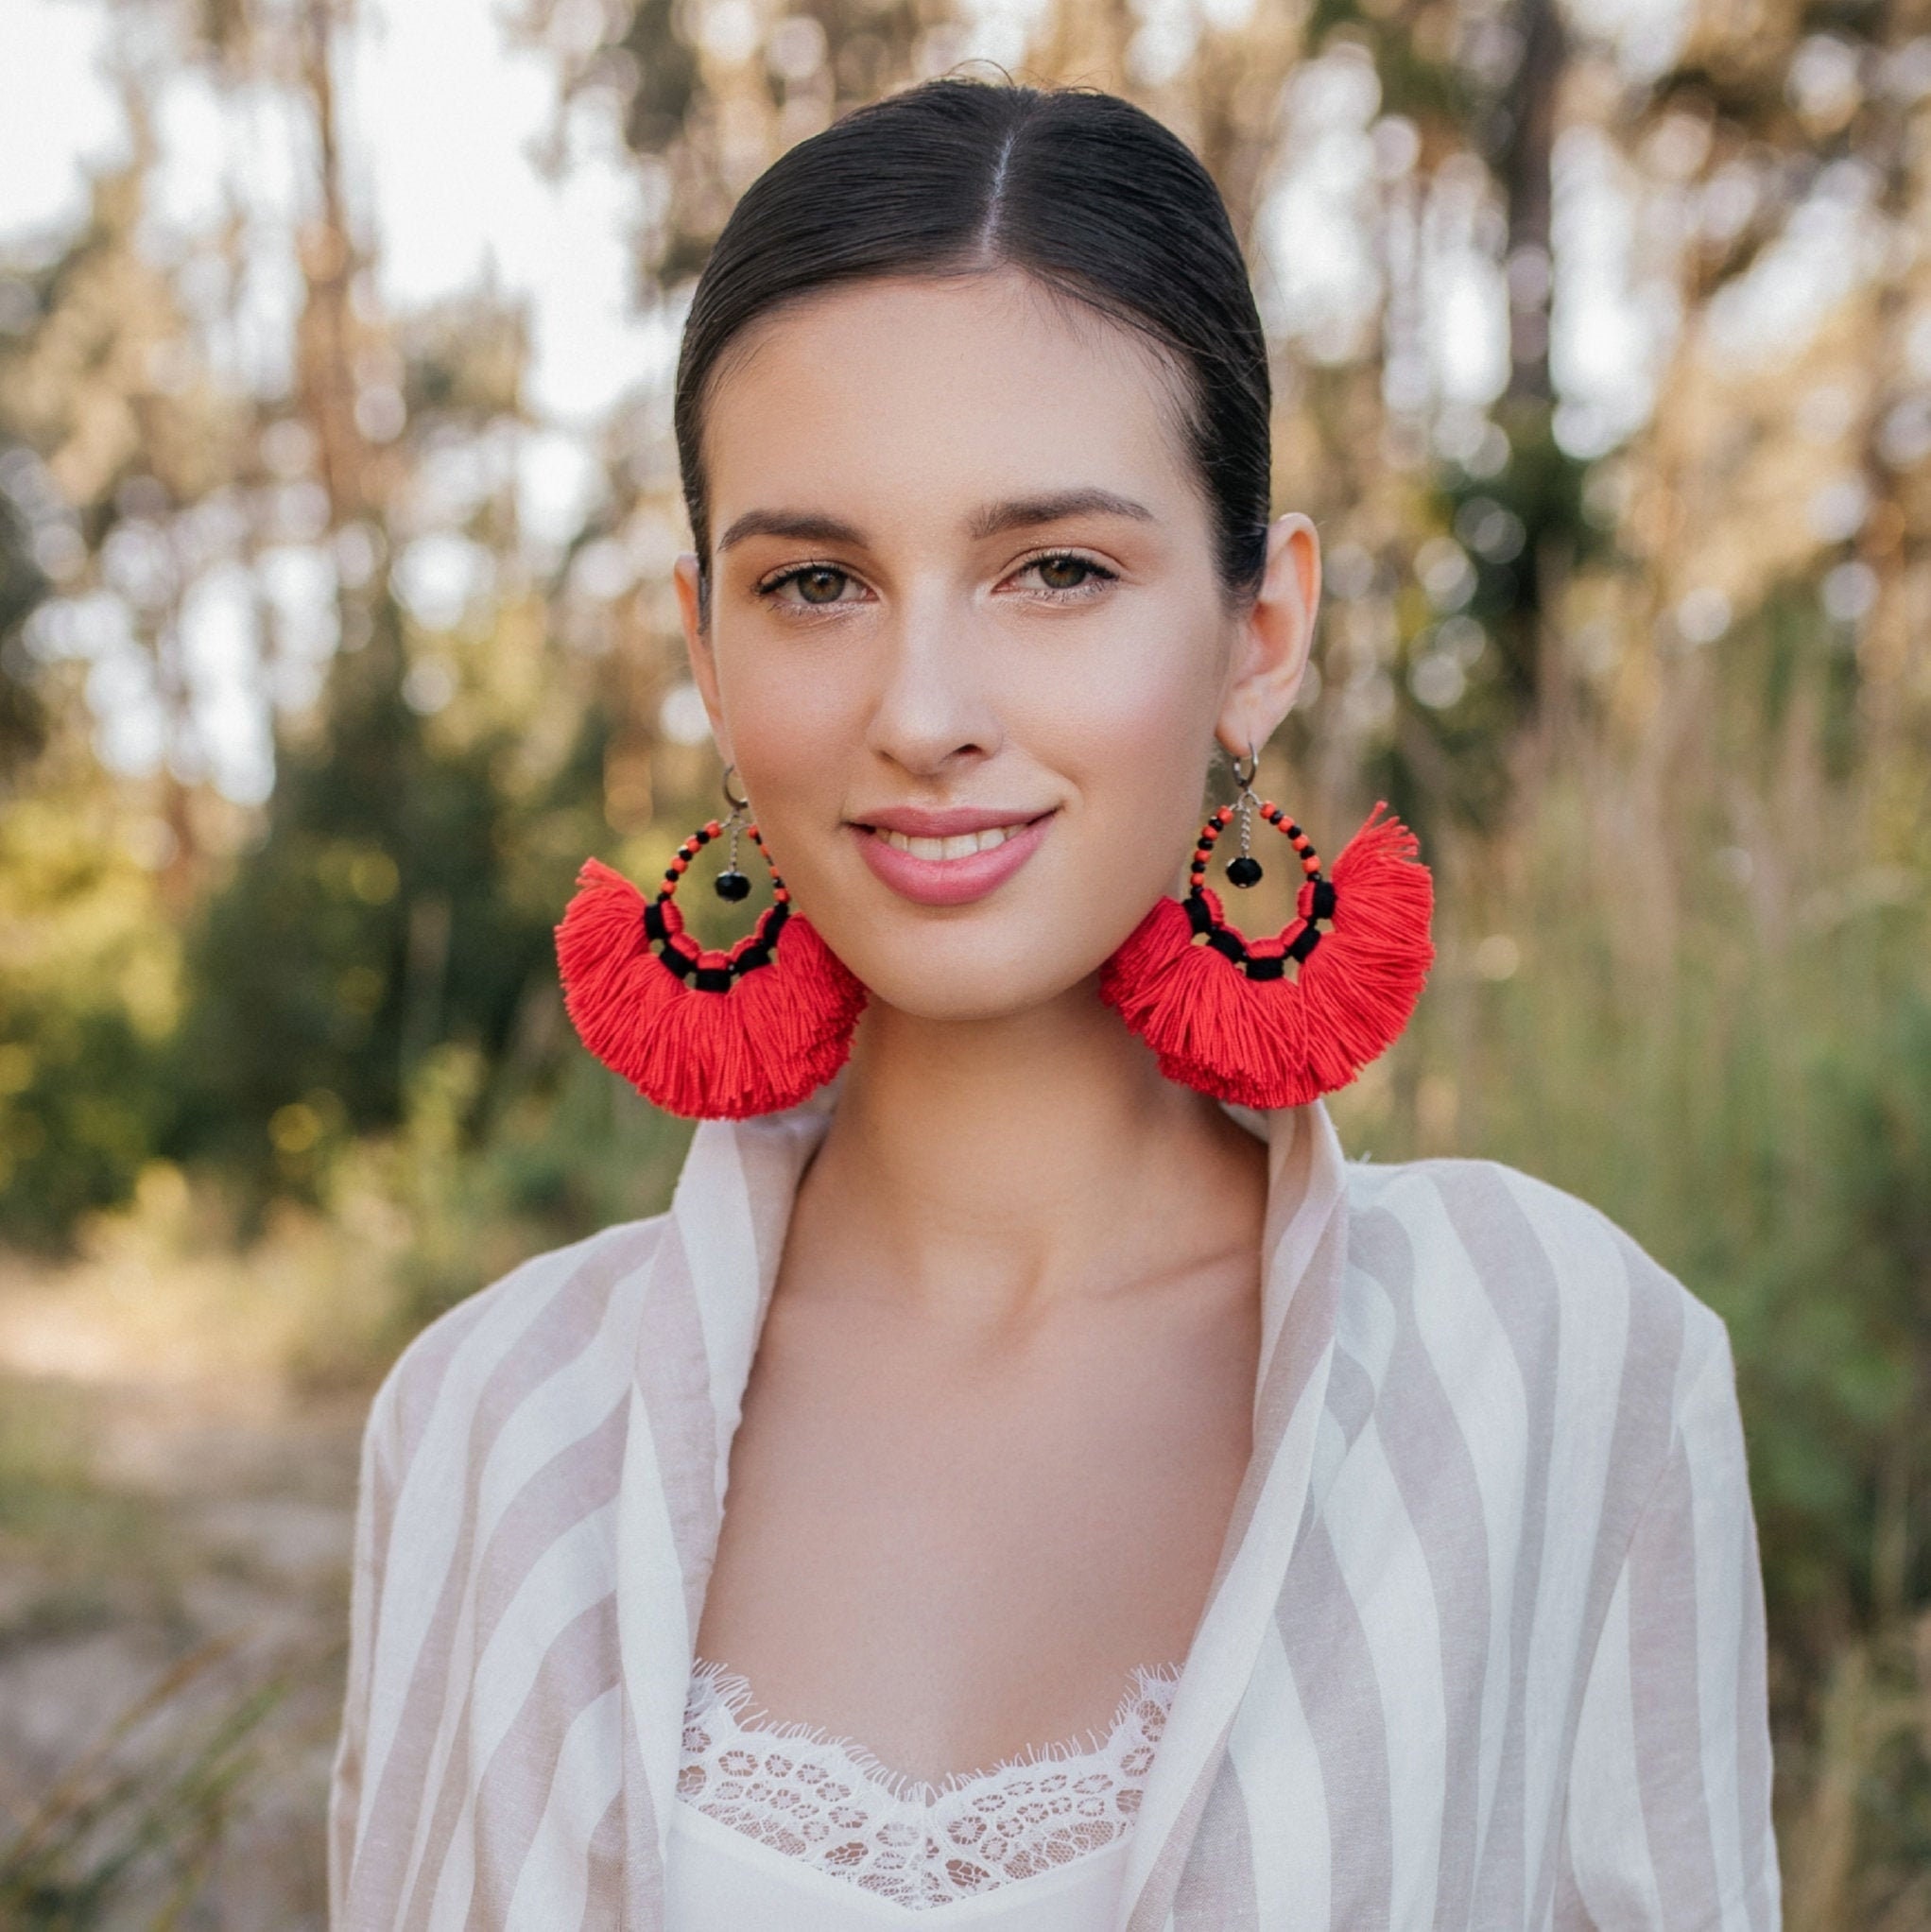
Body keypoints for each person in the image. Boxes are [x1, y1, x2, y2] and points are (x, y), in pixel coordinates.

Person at [326, 77, 1781, 1931]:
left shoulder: (1564, 1364)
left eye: (1057, 569)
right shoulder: (480, 1418)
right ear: (702, 646)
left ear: (1261, 630)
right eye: (815, 581)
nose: (923, 706)